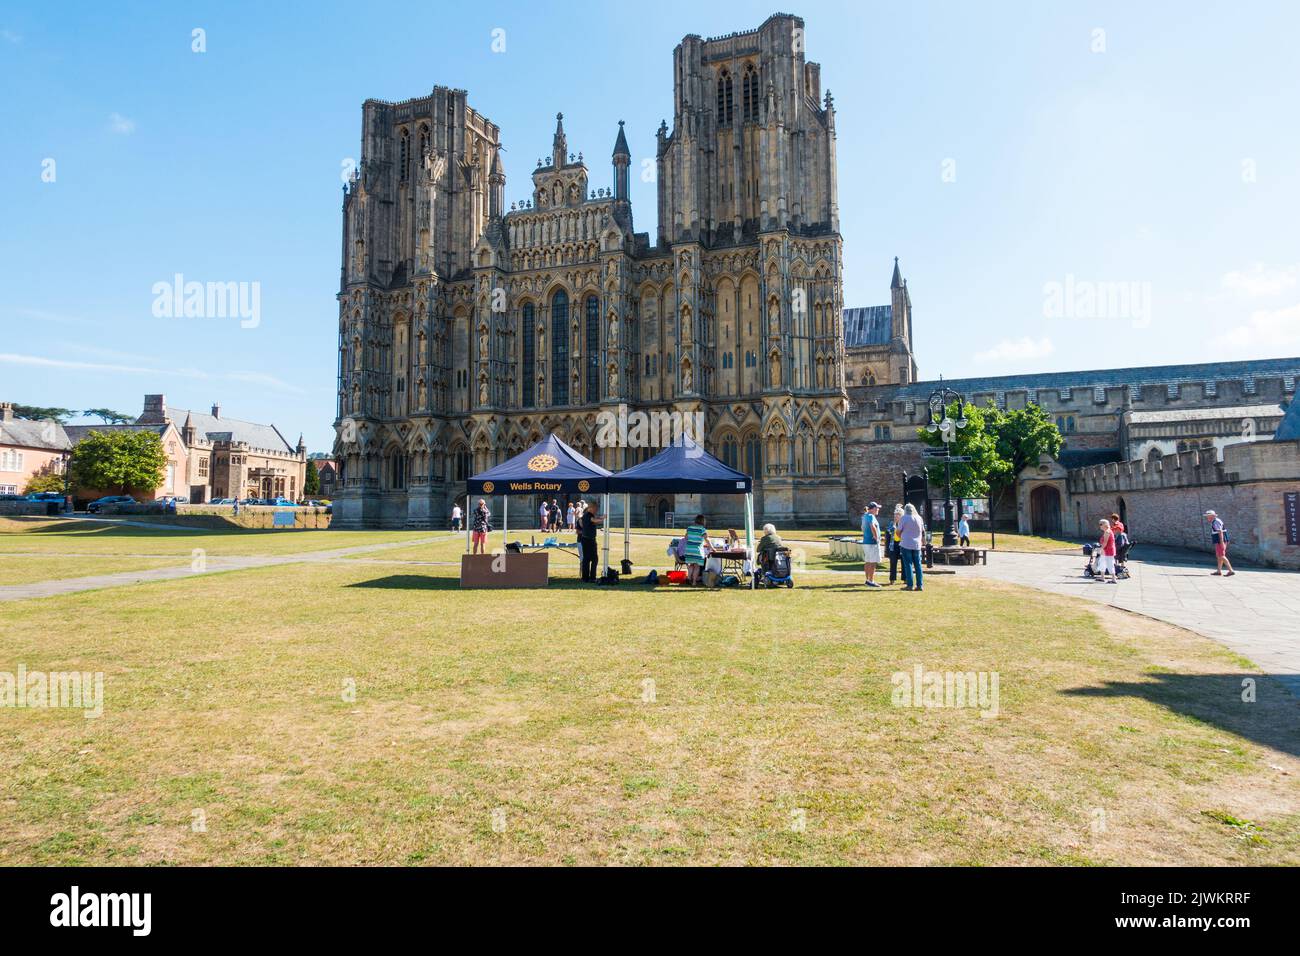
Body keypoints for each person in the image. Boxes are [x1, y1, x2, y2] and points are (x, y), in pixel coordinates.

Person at [898, 503, 926, 592]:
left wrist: (901, 537)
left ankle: (910, 585)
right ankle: (920, 585)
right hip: (917, 544)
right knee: (918, 565)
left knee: (908, 564)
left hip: (906, 543)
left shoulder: (904, 518)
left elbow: (898, 531)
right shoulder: (919, 518)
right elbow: (922, 531)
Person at [1205, 510, 1235, 576]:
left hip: (1220, 540)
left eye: (1208, 516)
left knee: (1221, 555)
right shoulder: (1215, 521)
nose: (1207, 517)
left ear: (1212, 516)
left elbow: (1220, 532)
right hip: (1219, 540)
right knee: (1219, 555)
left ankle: (1231, 570)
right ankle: (1219, 571)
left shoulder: (1215, 522)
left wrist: (1221, 542)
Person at [683, 513, 710, 585]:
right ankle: (694, 582)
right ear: (702, 521)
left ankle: (689, 578)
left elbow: (686, 537)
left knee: (691, 565)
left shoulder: (689, 528)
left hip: (689, 549)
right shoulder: (702, 529)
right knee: (697, 566)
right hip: (697, 550)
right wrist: (711, 547)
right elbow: (706, 539)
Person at [578, 500, 602, 582]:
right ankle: (589, 578)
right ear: (591, 508)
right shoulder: (587, 515)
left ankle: (588, 577)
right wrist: (603, 518)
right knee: (591, 559)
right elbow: (594, 520)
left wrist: (600, 519)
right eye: (595, 508)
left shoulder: (589, 515)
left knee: (590, 559)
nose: (596, 510)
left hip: (589, 539)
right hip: (588, 540)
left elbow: (593, 522)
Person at [861, 502, 882, 588]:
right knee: (873, 562)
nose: (878, 510)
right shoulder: (871, 516)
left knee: (868, 561)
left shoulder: (865, 516)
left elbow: (862, 527)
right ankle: (871, 581)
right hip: (872, 543)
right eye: (877, 508)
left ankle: (867, 580)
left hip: (866, 541)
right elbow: (872, 526)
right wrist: (876, 537)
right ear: (873, 509)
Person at [885, 505, 903, 584]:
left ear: (901, 516)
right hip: (893, 545)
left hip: (902, 545)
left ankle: (905, 578)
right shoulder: (892, 523)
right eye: (895, 514)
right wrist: (894, 524)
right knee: (893, 562)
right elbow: (889, 531)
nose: (896, 516)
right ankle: (892, 579)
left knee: (904, 562)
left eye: (898, 515)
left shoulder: (903, 523)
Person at [1095, 518, 1117, 583]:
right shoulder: (1106, 531)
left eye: (1101, 524)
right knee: (1102, 563)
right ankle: (1102, 577)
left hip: (1108, 551)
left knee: (1110, 564)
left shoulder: (1107, 532)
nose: (1100, 526)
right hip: (1105, 551)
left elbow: (1105, 543)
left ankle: (1113, 579)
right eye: (1099, 524)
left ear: (1105, 525)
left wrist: (1100, 549)